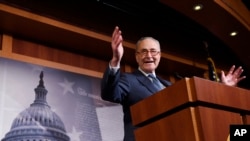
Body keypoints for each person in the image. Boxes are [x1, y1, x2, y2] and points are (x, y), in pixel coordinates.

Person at [101, 26, 246, 141]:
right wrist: (115, 60)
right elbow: (109, 94)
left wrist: (223, 90)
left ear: (159, 55)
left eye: (153, 51)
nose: (149, 56)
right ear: (137, 56)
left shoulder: (170, 87)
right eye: (143, 52)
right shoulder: (129, 80)